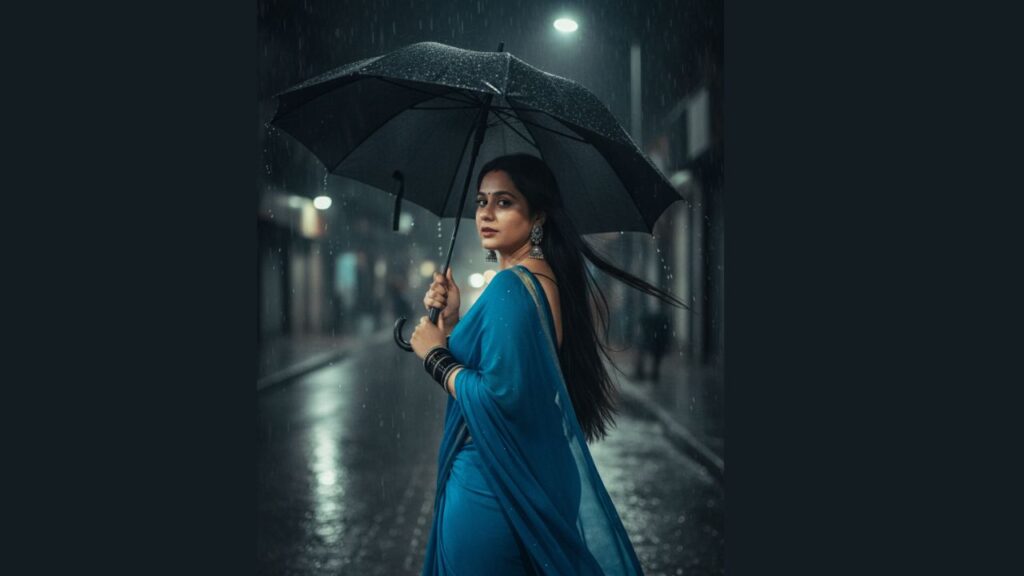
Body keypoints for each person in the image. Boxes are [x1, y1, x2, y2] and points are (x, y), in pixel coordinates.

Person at [409, 154, 687, 575]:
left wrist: (435, 356)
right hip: (533, 475)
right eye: (482, 201)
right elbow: (516, 371)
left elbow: (501, 397)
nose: (486, 213)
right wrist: (452, 322)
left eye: (504, 202)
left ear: (537, 215)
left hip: (492, 485)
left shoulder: (509, 287)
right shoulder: (544, 278)